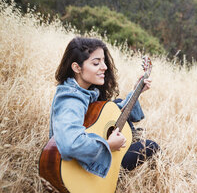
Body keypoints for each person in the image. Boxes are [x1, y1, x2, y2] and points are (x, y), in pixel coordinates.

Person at [49, 37, 159, 178]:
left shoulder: (84, 89)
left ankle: (130, 137)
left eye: (103, 61)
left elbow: (100, 116)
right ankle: (112, 177)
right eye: (96, 63)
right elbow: (70, 145)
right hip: (83, 171)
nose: (105, 67)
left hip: (89, 157)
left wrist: (136, 90)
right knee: (150, 147)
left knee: (115, 106)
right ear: (77, 67)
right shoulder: (71, 100)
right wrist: (108, 145)